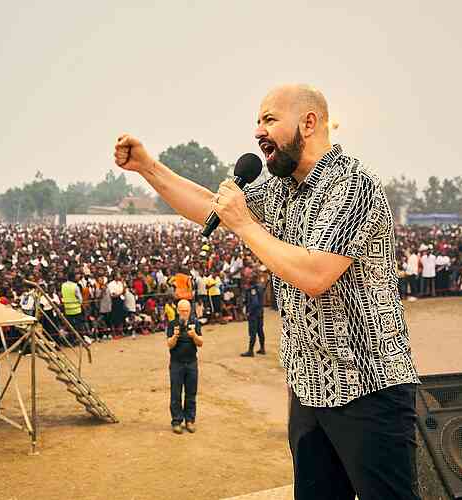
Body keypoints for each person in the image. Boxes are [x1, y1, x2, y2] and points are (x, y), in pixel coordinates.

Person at [115, 83, 420, 499]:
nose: (258, 131)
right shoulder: (280, 189)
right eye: (257, 121)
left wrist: (244, 224)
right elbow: (211, 205)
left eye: (270, 119)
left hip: (369, 391)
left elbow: (315, 274)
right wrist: (149, 167)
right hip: (310, 388)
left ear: (309, 123)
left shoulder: (353, 186)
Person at [165, 299, 203, 434]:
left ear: (190, 311)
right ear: (177, 311)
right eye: (182, 311)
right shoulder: (172, 324)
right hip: (177, 363)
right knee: (176, 393)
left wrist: (194, 336)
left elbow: (201, 343)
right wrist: (175, 335)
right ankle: (176, 421)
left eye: (186, 311)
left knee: (191, 393)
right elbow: (169, 344)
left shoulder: (195, 323)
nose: (184, 313)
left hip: (191, 363)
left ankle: (190, 420)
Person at [241, 277, 265, 357]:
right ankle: (262, 348)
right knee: (260, 331)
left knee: (253, 332)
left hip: (254, 314)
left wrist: (249, 312)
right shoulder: (260, 288)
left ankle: (250, 351)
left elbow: (254, 302)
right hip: (260, 313)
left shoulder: (252, 290)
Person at [61, 270, 84, 335]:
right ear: (73, 277)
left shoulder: (63, 285)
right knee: (78, 326)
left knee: (70, 326)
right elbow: (80, 300)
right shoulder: (75, 286)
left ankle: (72, 340)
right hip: (76, 310)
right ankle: (79, 339)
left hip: (67, 309)